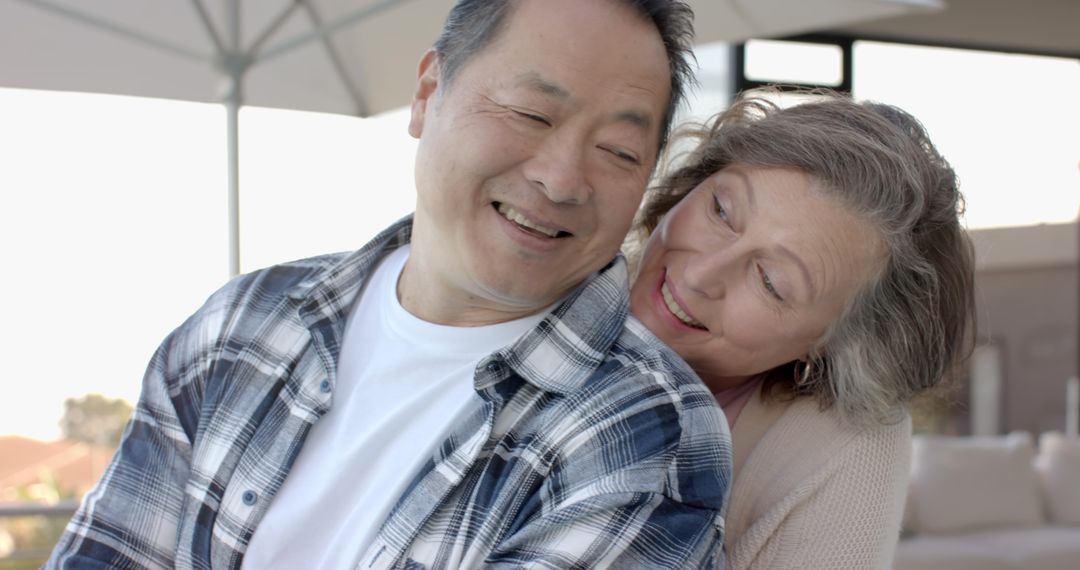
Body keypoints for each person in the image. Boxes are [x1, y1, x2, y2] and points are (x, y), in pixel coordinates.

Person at [46, 1, 732, 568]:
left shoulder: (639, 429)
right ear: (428, 93)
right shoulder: (243, 327)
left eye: (618, 152)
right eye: (530, 113)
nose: (561, 179)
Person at [627, 91, 976, 569]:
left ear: (833, 344)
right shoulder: (549, 282)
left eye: (771, 283)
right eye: (722, 211)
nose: (699, 276)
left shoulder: (845, 446)